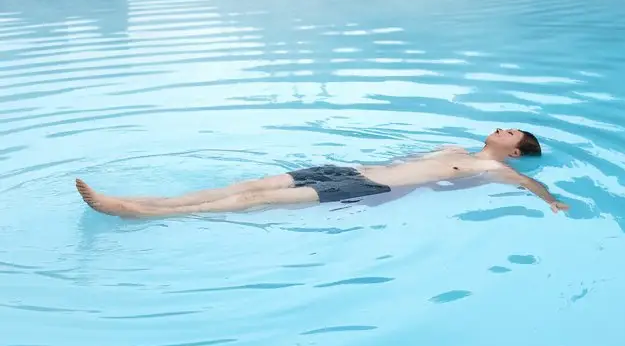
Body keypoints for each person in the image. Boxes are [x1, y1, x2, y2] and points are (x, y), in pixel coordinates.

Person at [75, 127, 569, 219]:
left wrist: (550, 201)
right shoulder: (455, 146)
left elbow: (530, 186)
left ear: (517, 153)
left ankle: (134, 214)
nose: (502, 128)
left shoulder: (492, 169)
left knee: (254, 203)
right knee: (245, 186)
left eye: (513, 133)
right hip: (350, 169)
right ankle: (147, 200)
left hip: (366, 188)